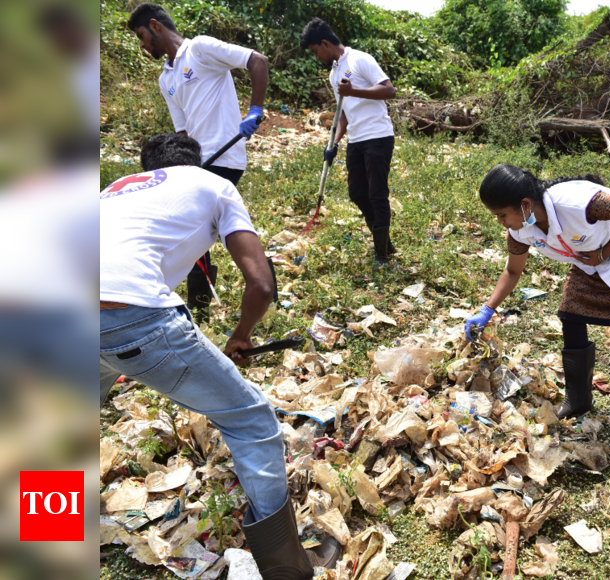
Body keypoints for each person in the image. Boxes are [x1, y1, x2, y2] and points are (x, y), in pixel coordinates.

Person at [100, 134, 334, 580]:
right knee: (252, 421)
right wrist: (240, 335)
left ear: (145, 166)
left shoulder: (113, 189)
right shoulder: (212, 184)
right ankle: (287, 570)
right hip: (134, 317)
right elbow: (262, 284)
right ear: (197, 162)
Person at [465, 165, 610, 418]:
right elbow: (513, 272)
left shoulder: (582, 205)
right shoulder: (519, 232)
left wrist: (605, 253)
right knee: (571, 313)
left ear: (525, 205)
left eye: (502, 214)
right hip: (590, 257)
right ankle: (578, 398)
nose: (500, 222)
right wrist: (487, 309)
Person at [127, 2, 269, 322]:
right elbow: (182, 131)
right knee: (197, 231)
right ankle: (201, 305)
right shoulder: (167, 78)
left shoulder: (201, 49)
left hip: (225, 155)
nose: (142, 44)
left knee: (195, 232)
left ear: (155, 26)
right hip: (196, 162)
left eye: (141, 35)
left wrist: (255, 110)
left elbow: (256, 61)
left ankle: (206, 304)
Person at [300, 18, 398, 266]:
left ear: (324, 43)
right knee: (356, 192)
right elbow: (342, 113)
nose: (316, 57)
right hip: (356, 139)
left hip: (378, 136)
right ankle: (383, 238)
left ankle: (382, 254)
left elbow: (389, 90)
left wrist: (354, 90)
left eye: (315, 52)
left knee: (377, 193)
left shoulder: (360, 59)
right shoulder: (334, 73)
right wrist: (332, 142)